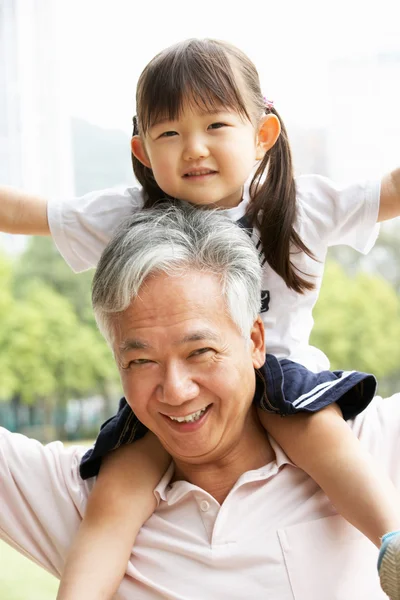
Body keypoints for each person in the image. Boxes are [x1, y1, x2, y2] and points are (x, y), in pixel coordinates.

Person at [1, 38, 400, 600]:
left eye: (215, 125)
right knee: (117, 491)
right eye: (169, 134)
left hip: (288, 381)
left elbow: (389, 191)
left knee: (324, 442)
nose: (193, 149)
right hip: (164, 413)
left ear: (263, 134)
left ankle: (391, 543)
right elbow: (33, 214)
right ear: (142, 150)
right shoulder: (127, 216)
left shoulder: (302, 205)